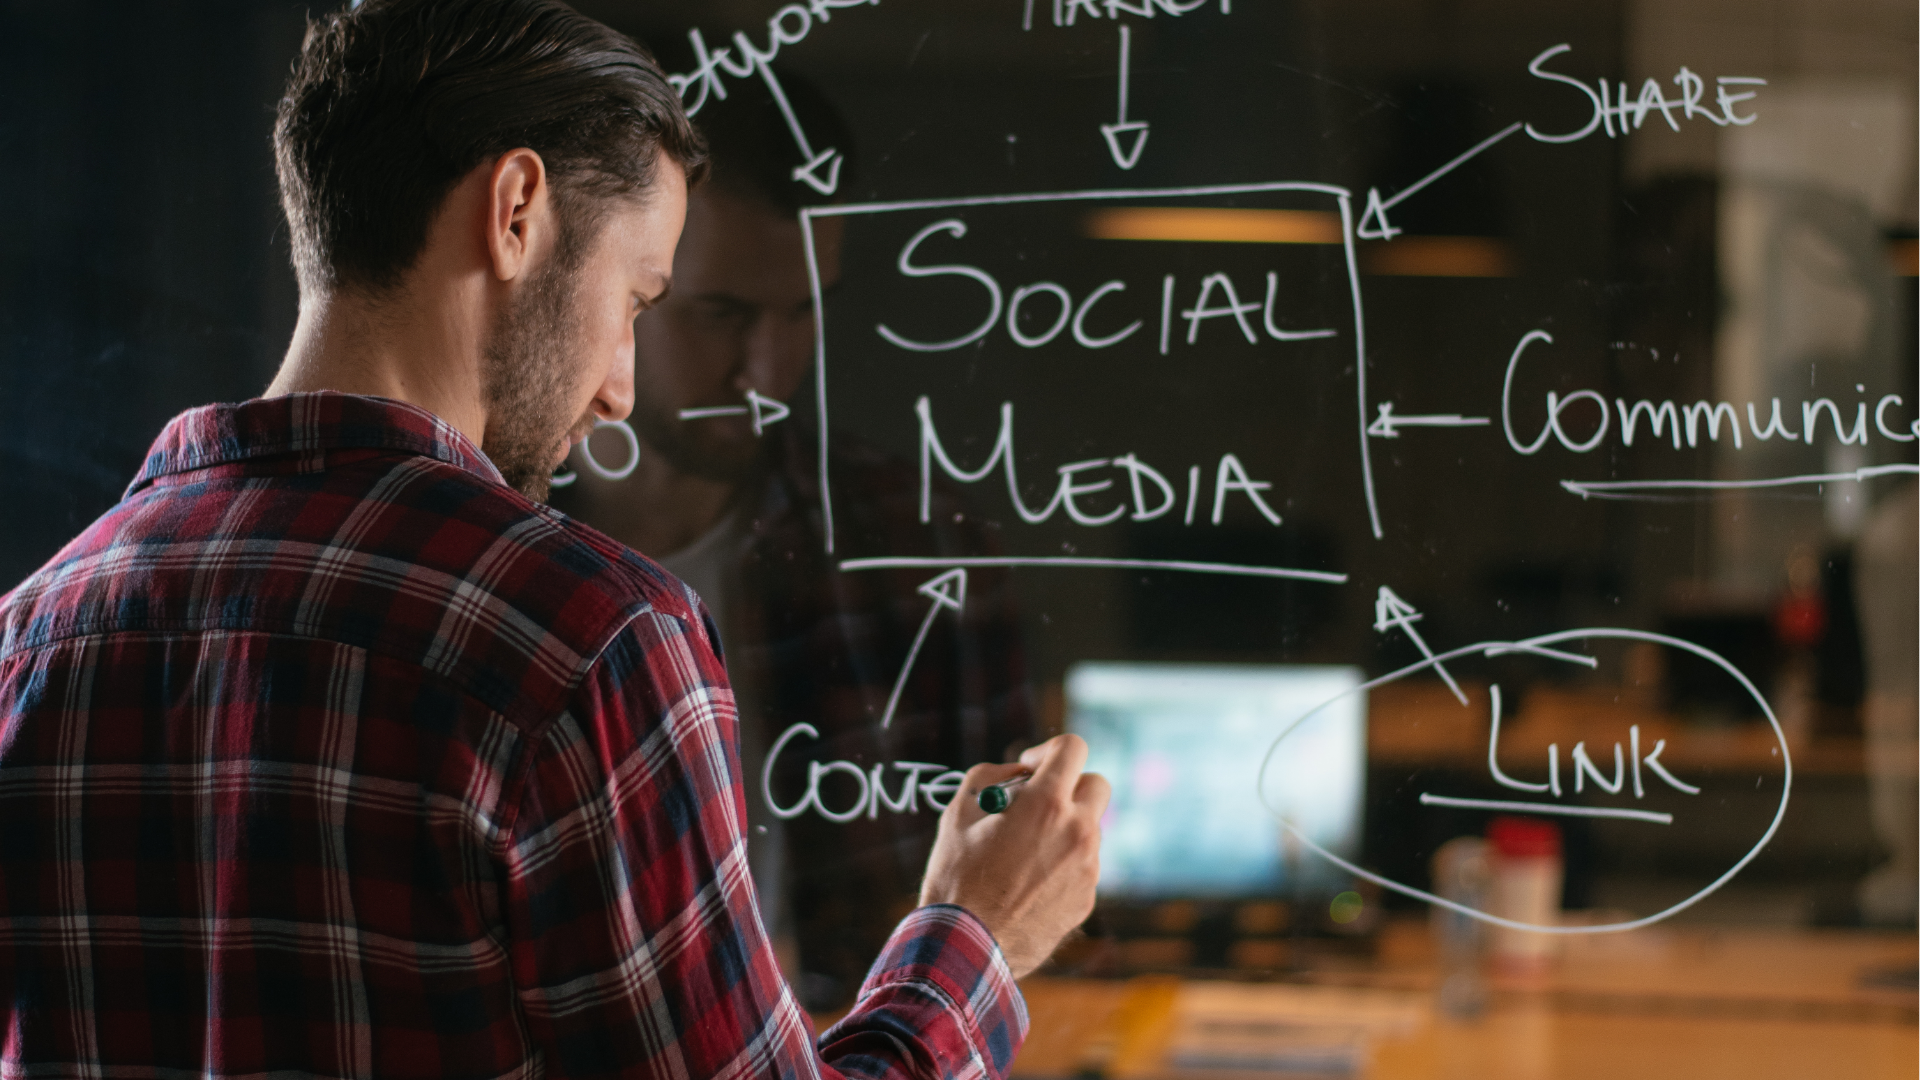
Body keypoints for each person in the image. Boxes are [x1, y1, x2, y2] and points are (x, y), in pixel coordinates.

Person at [0, 2, 1108, 1077]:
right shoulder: (588, 637)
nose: (621, 390)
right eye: (638, 298)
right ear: (516, 210)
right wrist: (981, 936)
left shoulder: (30, 637)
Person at [548, 72, 1037, 1009]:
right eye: (723, 313)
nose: (769, 372)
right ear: (622, 288)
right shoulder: (495, 554)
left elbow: (997, 885)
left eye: (806, 309)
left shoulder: (927, 545)